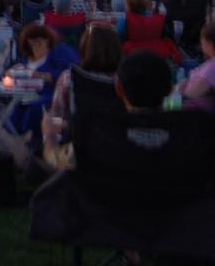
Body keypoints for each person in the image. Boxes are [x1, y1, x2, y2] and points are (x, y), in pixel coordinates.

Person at [42, 50, 174, 171]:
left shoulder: (103, 139)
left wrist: (49, 135)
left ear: (119, 89)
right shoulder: (184, 136)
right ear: (170, 90)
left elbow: (55, 160)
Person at [10, 25, 80, 137]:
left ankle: (30, 139)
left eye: (40, 40)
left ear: (48, 40)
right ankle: (13, 137)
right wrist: (11, 74)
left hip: (49, 94)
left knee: (34, 106)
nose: (36, 44)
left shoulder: (59, 53)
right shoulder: (24, 60)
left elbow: (67, 74)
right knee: (16, 106)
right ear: (27, 42)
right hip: (25, 94)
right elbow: (7, 78)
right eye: (32, 41)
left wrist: (38, 75)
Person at [49, 23, 122, 121]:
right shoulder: (123, 81)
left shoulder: (69, 78)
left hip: (78, 133)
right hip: (113, 133)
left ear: (84, 46)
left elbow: (56, 115)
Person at [180, 23, 215, 112]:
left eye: (202, 42)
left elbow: (190, 94)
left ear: (209, 43)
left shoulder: (211, 67)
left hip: (199, 115)